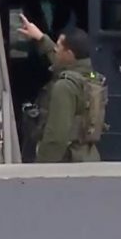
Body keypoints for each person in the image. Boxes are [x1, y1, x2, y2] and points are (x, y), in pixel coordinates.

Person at [16, 14, 105, 163]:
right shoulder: (89, 75)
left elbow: (56, 137)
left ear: (69, 54)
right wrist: (41, 38)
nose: (55, 50)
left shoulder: (65, 87)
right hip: (88, 157)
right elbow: (61, 61)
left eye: (58, 47)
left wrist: (40, 169)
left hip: (67, 161)